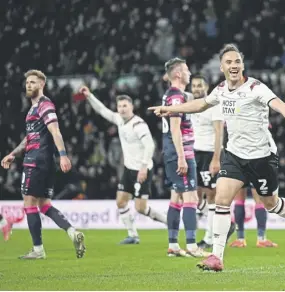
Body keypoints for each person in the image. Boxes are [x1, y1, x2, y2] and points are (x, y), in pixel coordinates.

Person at [149, 44, 285, 271]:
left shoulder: (256, 88)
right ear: (222, 67)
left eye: (237, 61)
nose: (234, 65)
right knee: (221, 198)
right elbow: (200, 104)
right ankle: (217, 256)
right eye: (229, 62)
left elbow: (282, 107)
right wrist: (169, 110)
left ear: (242, 65)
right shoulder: (219, 90)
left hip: (262, 157)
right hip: (235, 155)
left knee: (271, 204)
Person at [1, 70, 86, 259]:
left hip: (36, 161)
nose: (28, 85)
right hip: (45, 162)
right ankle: (72, 232)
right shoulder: (33, 109)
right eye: (27, 82)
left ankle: (38, 250)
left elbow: (55, 131)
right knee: (45, 204)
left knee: (29, 202)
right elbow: (29, 138)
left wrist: (63, 155)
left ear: (42, 85)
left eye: (33, 82)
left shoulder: (44, 105)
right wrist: (13, 154)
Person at [79, 86, 167, 245]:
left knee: (140, 208)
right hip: (128, 169)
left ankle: (168, 222)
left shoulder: (138, 124)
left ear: (131, 107)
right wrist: (89, 96)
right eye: (119, 106)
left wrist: (143, 167)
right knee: (120, 202)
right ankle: (133, 235)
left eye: (125, 106)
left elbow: (150, 146)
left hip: (143, 169)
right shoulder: (119, 120)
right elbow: (102, 110)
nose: (122, 109)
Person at [161, 58, 209, 257]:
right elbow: (174, 128)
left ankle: (173, 245)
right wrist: (181, 157)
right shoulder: (176, 97)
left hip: (173, 153)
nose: (190, 73)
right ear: (179, 74)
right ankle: (192, 246)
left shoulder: (174, 95)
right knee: (191, 198)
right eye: (187, 70)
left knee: (176, 199)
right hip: (180, 154)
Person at [189, 74, 235, 249]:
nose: (197, 89)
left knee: (211, 196)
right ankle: (225, 225)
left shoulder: (214, 106)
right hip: (196, 154)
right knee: (198, 194)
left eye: (200, 85)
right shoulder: (192, 104)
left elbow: (219, 133)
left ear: (207, 87)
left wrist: (216, 158)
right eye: (194, 86)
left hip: (210, 154)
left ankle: (209, 238)